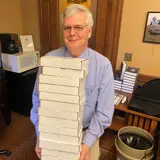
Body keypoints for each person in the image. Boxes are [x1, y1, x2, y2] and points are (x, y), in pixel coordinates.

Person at [30, 4, 114, 160]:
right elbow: (37, 100)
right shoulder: (48, 60)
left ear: (89, 31)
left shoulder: (103, 66)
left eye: (78, 27)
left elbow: (104, 112)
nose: (72, 33)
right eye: (67, 28)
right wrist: (41, 134)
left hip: (87, 136)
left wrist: (87, 143)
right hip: (52, 133)